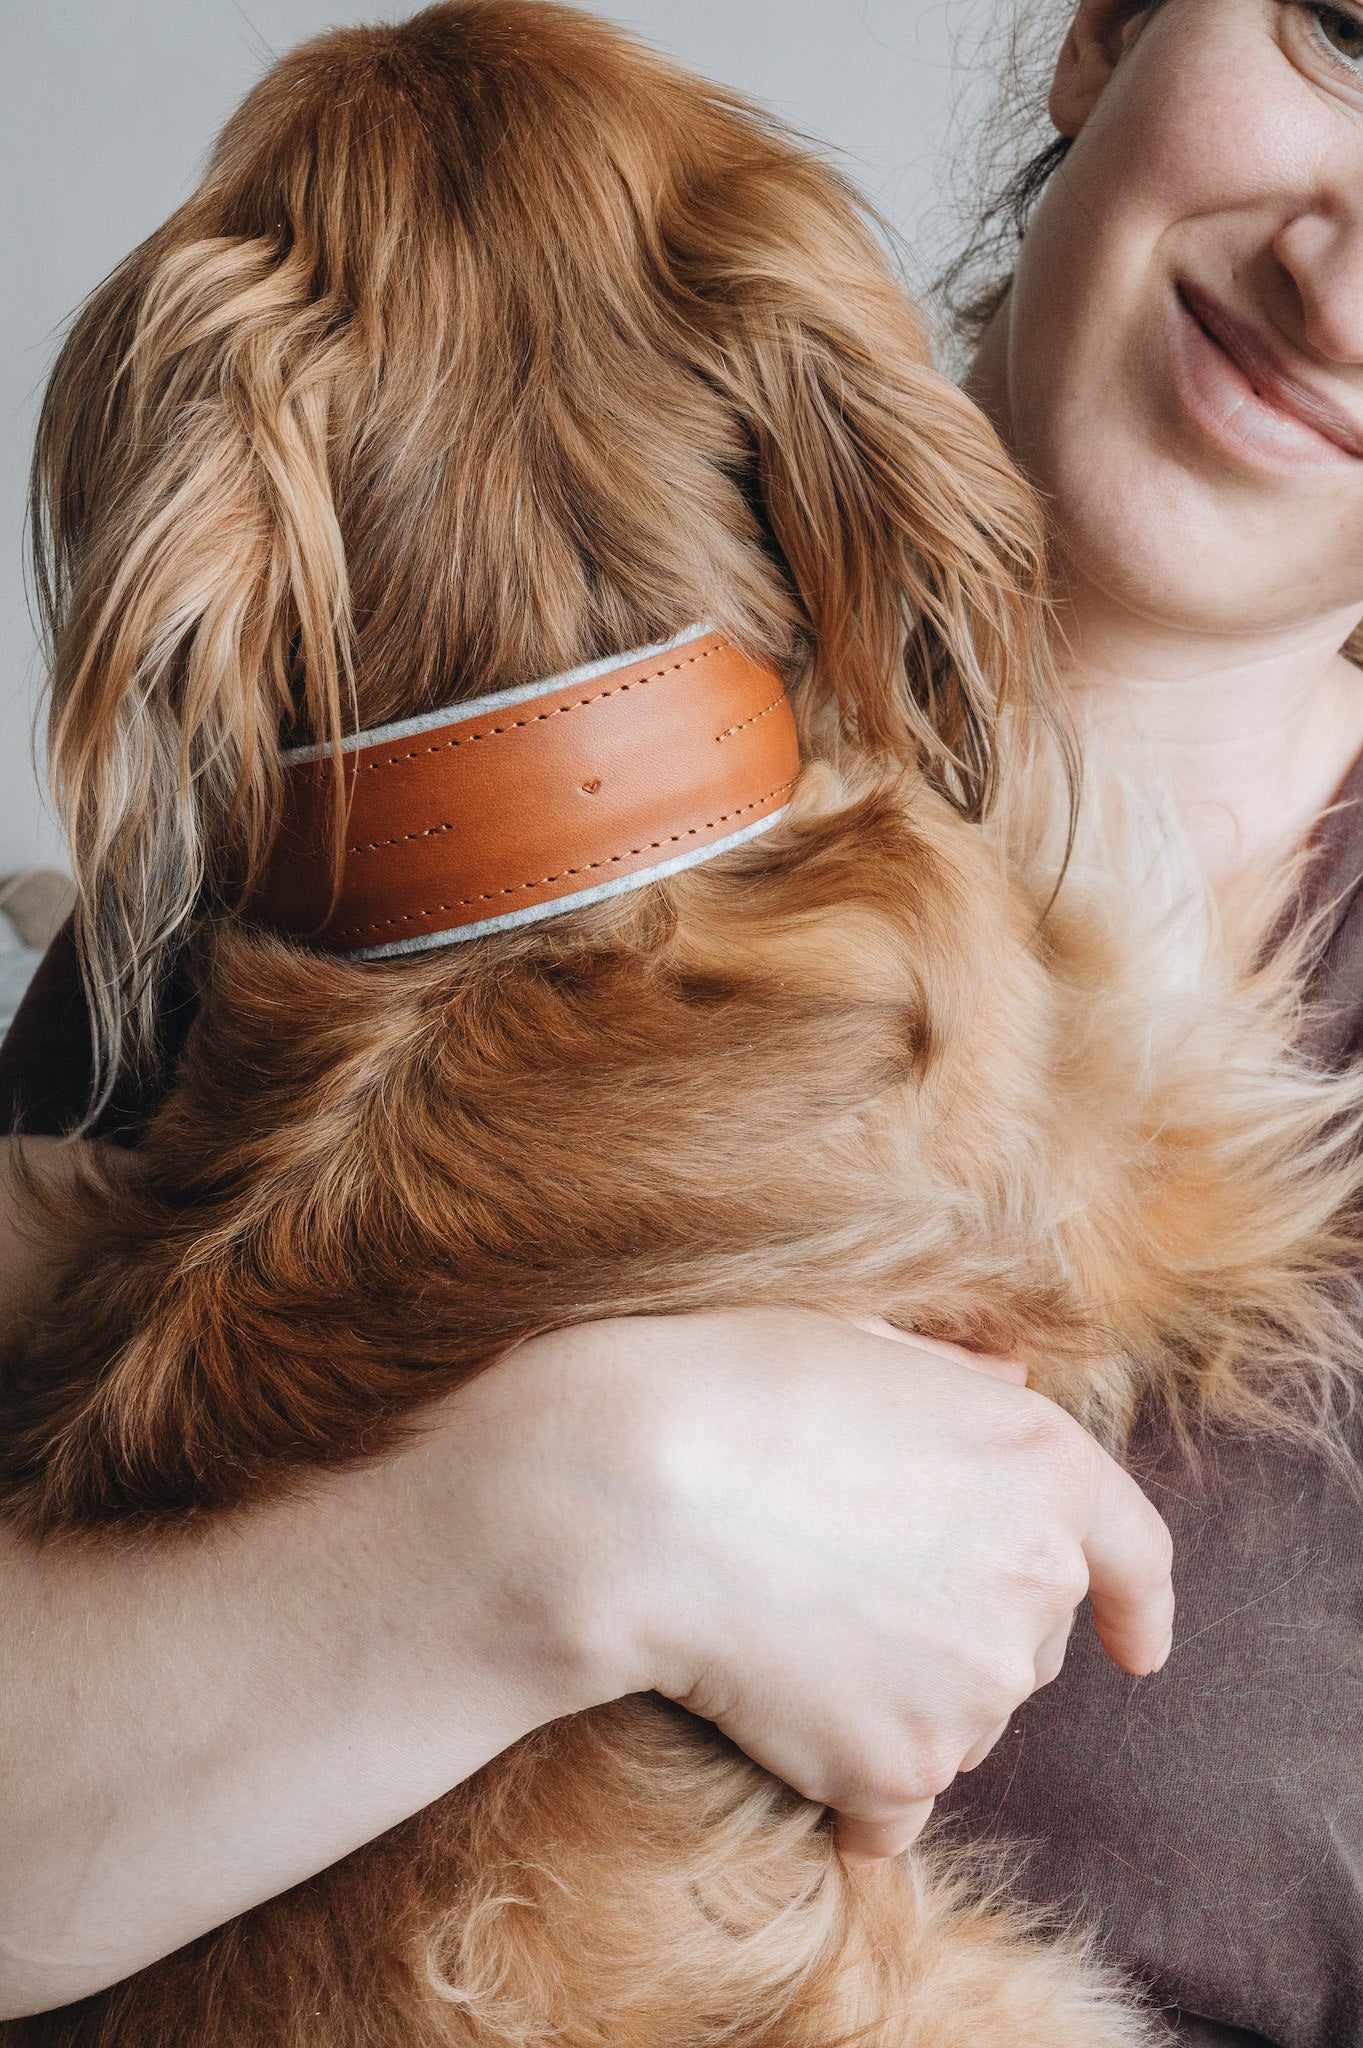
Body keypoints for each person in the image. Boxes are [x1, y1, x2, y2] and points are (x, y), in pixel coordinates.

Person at [1, 0, 1359, 2040]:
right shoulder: (358, 809)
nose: (1341, 288)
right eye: (1346, 34)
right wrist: (569, 1520)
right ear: (1101, 32)